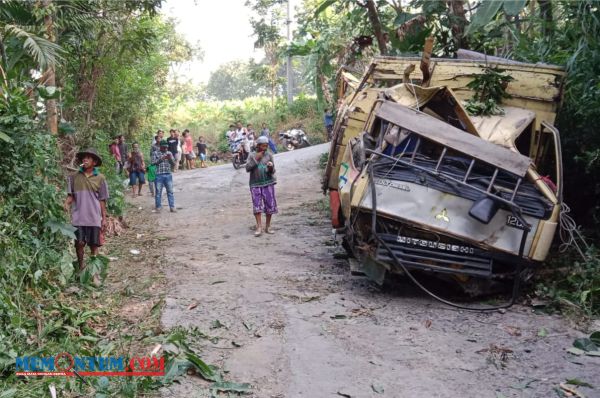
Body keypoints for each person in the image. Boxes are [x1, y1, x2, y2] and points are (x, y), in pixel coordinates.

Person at [64, 148, 109, 285]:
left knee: (94, 245)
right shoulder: (74, 177)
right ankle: (81, 268)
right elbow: (71, 196)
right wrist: (66, 204)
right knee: (79, 243)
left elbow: (102, 199)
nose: (85, 160)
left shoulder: (100, 178)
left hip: (94, 217)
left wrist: (104, 218)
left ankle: (95, 274)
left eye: (88, 158)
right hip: (78, 217)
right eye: (84, 158)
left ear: (94, 162)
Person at [246, 136, 277, 236]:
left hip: (268, 183)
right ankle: (259, 227)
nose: (265, 148)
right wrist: (256, 159)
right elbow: (247, 168)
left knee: (269, 205)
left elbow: (273, 170)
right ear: (258, 146)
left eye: (266, 146)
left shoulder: (269, 155)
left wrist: (270, 168)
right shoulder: (251, 155)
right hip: (255, 184)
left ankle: (268, 226)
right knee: (257, 205)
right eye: (263, 146)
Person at [152, 140, 176, 212]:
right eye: (164, 147)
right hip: (158, 175)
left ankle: (172, 207)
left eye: (166, 147)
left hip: (168, 174)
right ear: (160, 146)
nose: (165, 149)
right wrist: (161, 159)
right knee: (158, 192)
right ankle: (158, 206)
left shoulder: (169, 153)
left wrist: (170, 158)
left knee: (170, 191)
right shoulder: (155, 153)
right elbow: (153, 163)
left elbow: (173, 164)